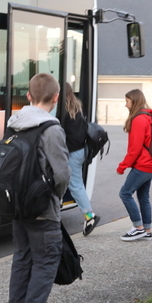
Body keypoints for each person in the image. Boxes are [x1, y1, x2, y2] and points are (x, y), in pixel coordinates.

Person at [5, 73, 70, 303]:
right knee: (45, 262)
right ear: (56, 98)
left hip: (18, 204)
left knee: (22, 257)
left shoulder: (14, 124)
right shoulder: (51, 129)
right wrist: (53, 198)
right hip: (42, 208)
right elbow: (62, 175)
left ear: (28, 96)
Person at [116, 89, 152, 241]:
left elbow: (135, 149)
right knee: (143, 197)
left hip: (144, 165)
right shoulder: (148, 116)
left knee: (125, 193)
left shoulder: (139, 119)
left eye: (127, 101)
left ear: (133, 101)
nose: (125, 105)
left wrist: (122, 166)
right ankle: (147, 230)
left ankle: (138, 227)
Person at [60, 83, 101, 235]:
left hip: (72, 153)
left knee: (75, 184)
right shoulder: (76, 107)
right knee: (65, 180)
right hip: (80, 150)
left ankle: (90, 216)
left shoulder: (61, 110)